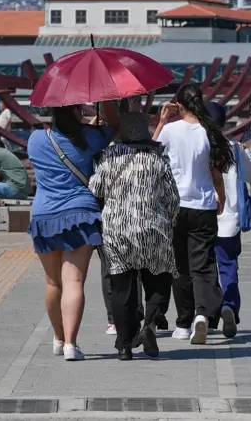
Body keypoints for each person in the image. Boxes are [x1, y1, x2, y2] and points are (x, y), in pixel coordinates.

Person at [26, 102, 118, 361]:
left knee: (52, 282)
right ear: (76, 112)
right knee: (74, 282)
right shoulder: (90, 137)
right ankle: (71, 344)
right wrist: (102, 109)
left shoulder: (35, 139)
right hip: (80, 213)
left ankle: (58, 339)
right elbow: (115, 127)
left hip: (44, 215)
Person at [89, 110, 178, 361]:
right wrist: (169, 222)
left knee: (121, 288)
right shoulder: (157, 159)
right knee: (159, 279)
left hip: (117, 231)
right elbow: (172, 198)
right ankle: (149, 324)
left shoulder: (109, 156)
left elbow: (95, 189)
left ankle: (124, 345)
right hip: (153, 227)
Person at [153, 83, 233, 345]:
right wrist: (221, 197)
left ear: (179, 104)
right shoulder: (209, 131)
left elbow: (150, 156)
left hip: (174, 206)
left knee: (180, 266)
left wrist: (162, 121)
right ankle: (205, 314)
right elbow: (216, 172)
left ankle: (184, 323)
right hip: (203, 205)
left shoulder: (170, 130)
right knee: (204, 263)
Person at [208, 103, 251, 338]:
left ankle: (206, 314)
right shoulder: (235, 148)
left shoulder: (200, 146)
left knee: (203, 269)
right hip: (230, 218)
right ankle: (229, 306)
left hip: (202, 216)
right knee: (228, 266)